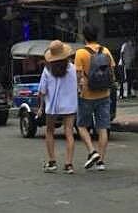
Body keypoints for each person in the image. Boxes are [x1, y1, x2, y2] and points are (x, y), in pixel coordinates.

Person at [74, 24, 115, 171]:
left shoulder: (80, 53)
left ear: (84, 37)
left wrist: (78, 89)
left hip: (86, 94)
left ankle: (92, 151)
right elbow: (111, 71)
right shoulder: (106, 51)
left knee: (81, 125)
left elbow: (78, 76)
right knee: (103, 127)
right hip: (104, 94)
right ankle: (101, 161)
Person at [37, 40, 78, 174]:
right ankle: (69, 164)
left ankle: (52, 161)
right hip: (69, 105)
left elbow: (42, 91)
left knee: (49, 131)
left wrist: (41, 106)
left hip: (53, 106)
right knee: (69, 132)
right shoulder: (72, 68)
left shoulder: (47, 70)